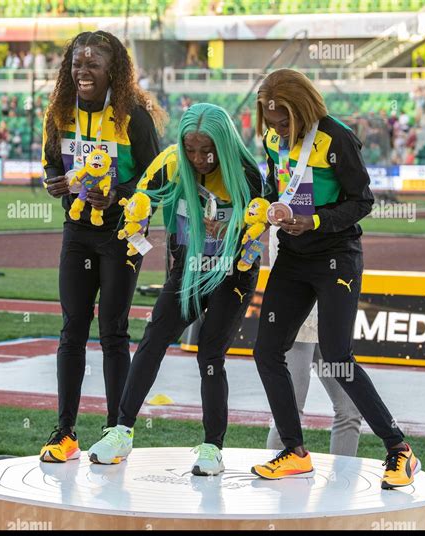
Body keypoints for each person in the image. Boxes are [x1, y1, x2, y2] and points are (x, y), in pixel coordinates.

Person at [250, 69, 420, 490]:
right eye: (272, 123)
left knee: (338, 356)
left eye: (285, 121)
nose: (278, 129)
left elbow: (363, 200)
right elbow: (277, 187)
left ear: (303, 107)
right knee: (266, 349)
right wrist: (272, 210)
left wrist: (315, 220)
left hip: (335, 257)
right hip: (292, 254)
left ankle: (399, 449)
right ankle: (294, 451)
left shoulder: (337, 137)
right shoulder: (273, 140)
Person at [87, 103, 264, 475]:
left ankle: (213, 447)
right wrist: (136, 215)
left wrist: (234, 233)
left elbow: (261, 221)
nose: (198, 159)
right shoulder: (170, 161)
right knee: (152, 340)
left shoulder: (247, 174)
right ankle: (121, 431)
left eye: (207, 150)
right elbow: (141, 196)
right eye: (191, 149)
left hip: (232, 273)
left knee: (210, 353)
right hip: (186, 272)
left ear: (224, 144)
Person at [39, 30, 167, 463]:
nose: (82, 71)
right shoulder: (58, 113)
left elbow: (158, 180)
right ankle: (65, 432)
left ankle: (117, 431)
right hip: (77, 230)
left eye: (92, 64)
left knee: (113, 331)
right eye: (77, 64)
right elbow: (53, 165)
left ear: (113, 69)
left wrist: (118, 194)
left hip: (121, 234)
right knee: (72, 328)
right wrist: (53, 183)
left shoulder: (135, 117)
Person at [266, 227, 362, 457]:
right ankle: (275, 476)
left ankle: (343, 481)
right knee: (290, 412)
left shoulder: (338, 216)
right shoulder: (287, 219)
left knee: (350, 409)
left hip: (330, 326)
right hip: (299, 328)